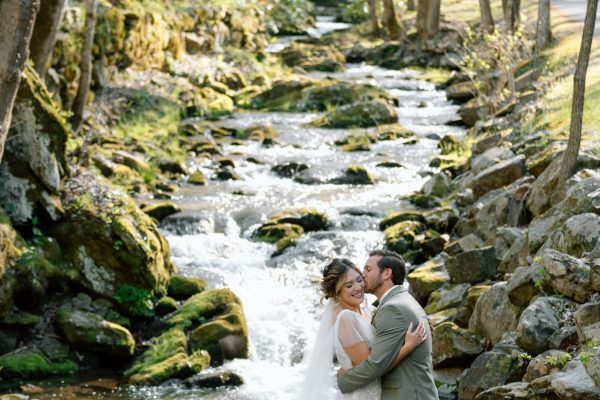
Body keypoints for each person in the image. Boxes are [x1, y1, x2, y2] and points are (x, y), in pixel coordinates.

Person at [298, 257, 427, 400]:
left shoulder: (366, 310)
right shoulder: (346, 318)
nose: (358, 288)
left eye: (359, 280)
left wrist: (420, 321)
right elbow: (371, 369)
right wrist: (408, 346)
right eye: (348, 285)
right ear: (336, 291)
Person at [337, 249, 439, 400]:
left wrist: (343, 380)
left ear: (386, 274)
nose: (362, 274)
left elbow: (376, 364)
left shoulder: (393, 308)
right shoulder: (404, 301)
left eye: (368, 269)